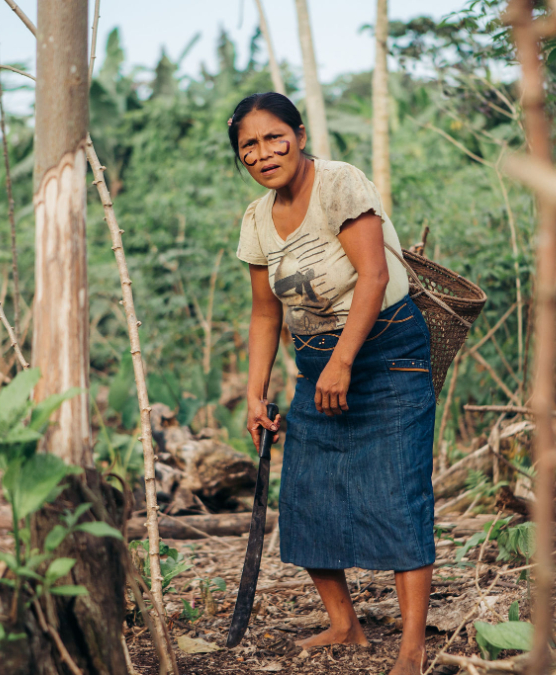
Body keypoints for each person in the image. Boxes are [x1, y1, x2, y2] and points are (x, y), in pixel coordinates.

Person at [230, 92, 436, 675]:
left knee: (400, 495)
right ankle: (345, 625)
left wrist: (344, 362)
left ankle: (412, 647)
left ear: (297, 133)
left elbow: (372, 275)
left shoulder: (339, 183)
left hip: (388, 353)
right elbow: (266, 314)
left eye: (275, 137)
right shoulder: (255, 221)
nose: (265, 152)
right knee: (308, 495)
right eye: (250, 145)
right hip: (318, 364)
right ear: (242, 157)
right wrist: (254, 391)